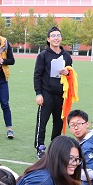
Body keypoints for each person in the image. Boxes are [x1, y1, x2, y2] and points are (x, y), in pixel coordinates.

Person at [33, 26, 73, 158]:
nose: (56, 38)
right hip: (46, 94)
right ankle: (40, 147)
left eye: (58, 35)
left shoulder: (66, 56)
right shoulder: (43, 55)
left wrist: (67, 73)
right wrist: (38, 93)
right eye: (53, 36)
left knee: (58, 123)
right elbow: (37, 75)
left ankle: (54, 147)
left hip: (61, 95)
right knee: (42, 122)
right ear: (48, 39)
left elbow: (71, 75)